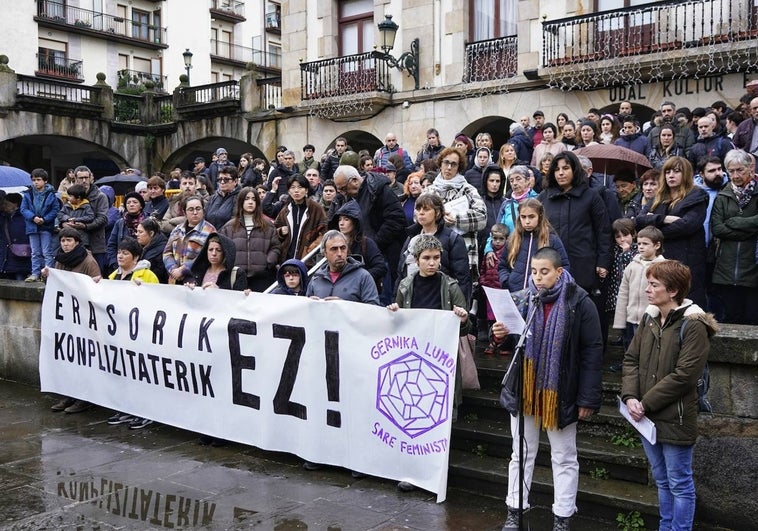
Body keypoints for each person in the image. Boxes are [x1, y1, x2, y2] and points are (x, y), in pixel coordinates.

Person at [493, 246, 603, 531]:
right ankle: (515, 510)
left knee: (564, 456)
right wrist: (501, 336)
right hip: (525, 388)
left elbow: (592, 351)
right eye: (533, 272)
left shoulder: (580, 302)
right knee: (521, 453)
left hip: (561, 390)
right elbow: (512, 342)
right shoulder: (525, 299)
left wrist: (587, 397)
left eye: (544, 272)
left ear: (559, 271)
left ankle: (562, 517)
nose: (538, 278)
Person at [621, 260, 717, 531]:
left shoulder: (694, 324)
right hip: (645, 417)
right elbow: (631, 360)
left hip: (675, 416)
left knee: (680, 483)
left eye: (654, 285)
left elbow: (685, 375)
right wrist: (630, 397)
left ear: (673, 290)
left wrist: (644, 402)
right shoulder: (650, 318)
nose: (647, 290)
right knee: (662, 480)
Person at [388, 234, 470, 491]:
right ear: (416, 260)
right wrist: (393, 312)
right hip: (413, 362)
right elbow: (397, 321)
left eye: (436, 258)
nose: (432, 263)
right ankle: (412, 472)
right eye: (427, 258)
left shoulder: (451, 286)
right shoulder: (405, 285)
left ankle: (435, 472)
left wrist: (462, 316)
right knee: (412, 416)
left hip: (440, 362)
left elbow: (466, 324)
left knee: (438, 420)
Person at [634, 157, 708, 307]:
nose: (671, 175)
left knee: (685, 305)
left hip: (687, 260)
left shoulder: (697, 195)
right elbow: (639, 221)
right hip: (661, 259)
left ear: (686, 174)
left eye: (676, 171)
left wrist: (654, 224)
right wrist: (665, 219)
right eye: (667, 172)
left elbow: (688, 225)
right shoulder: (659, 196)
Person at [43, 227, 101, 414]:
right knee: (69, 357)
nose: (65, 244)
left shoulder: (88, 260)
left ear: (77, 242)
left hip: (83, 317)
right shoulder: (60, 259)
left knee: (83, 358)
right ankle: (69, 394)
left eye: (69, 240)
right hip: (66, 315)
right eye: (63, 241)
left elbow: (97, 288)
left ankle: (84, 398)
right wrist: (49, 277)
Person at [105, 236, 160, 430]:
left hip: (140, 334)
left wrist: (143, 291)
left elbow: (159, 301)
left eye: (125, 253)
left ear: (135, 257)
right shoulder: (113, 276)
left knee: (141, 374)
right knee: (123, 373)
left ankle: (145, 412)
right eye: (119, 252)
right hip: (120, 334)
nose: (120, 255)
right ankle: (126, 408)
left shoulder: (147, 275)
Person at [538, 151, 610, 296]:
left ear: (574, 170)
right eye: (557, 169)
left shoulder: (591, 196)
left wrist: (603, 262)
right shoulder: (544, 197)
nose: (561, 173)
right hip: (550, 264)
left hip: (583, 264)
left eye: (565, 168)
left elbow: (603, 231)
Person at [710, 149, 758, 324]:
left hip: (752, 264)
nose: (735, 175)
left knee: (753, 318)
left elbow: (727, 225)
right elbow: (718, 228)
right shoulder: (723, 196)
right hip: (727, 266)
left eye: (740, 170)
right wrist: (750, 230)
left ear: (750, 169)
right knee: (731, 317)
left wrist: (735, 222)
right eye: (731, 171)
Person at [426, 147, 487, 283]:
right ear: (440, 163)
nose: (448, 167)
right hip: (434, 254)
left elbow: (482, 217)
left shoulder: (469, 190)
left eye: (453, 164)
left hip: (463, 253)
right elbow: (417, 216)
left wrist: (457, 219)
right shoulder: (430, 191)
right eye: (446, 162)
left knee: (461, 299)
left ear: (459, 167)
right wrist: (437, 218)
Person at [399, 193, 472, 303]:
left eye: (426, 209)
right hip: (412, 300)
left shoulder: (453, 239)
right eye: (418, 209)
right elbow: (401, 273)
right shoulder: (411, 237)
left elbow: (462, 279)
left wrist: (461, 308)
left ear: (437, 213)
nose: (421, 213)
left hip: (440, 302)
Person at [612, 226, 665, 359]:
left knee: (647, 352)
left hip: (650, 319)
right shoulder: (632, 265)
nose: (641, 247)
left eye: (645, 244)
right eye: (639, 243)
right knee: (630, 350)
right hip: (630, 318)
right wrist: (620, 320)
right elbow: (623, 292)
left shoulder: (663, 267)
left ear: (657, 245)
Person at [497, 198, 570, 292]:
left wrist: (552, 287)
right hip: (515, 295)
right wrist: (506, 281)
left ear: (540, 216)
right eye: (523, 217)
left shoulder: (552, 240)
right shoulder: (513, 239)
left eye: (531, 217)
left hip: (542, 296)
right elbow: (502, 266)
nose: (527, 221)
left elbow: (564, 266)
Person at [219, 186, 280, 292]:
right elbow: (223, 249)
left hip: (262, 277)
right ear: (241, 202)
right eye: (247, 199)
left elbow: (276, 247)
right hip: (236, 276)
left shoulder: (268, 225)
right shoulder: (229, 227)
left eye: (253, 199)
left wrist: (268, 262)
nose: (250, 202)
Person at [306, 229, 380, 303]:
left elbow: (373, 309)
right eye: (334, 249)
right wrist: (311, 305)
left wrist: (343, 306)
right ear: (325, 253)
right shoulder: (316, 279)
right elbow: (306, 311)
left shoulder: (363, 277)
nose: (339, 253)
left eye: (343, 248)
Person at [482, 165, 538, 261]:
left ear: (527, 181)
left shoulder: (538, 200)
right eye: (511, 181)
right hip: (509, 252)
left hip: (531, 252)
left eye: (518, 179)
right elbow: (497, 228)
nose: (514, 183)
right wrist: (489, 249)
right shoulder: (506, 204)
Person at [605, 218, 639, 370]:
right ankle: (626, 360)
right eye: (618, 236)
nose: (622, 239)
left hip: (631, 298)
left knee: (632, 334)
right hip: (617, 296)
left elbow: (631, 266)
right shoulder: (614, 250)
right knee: (624, 331)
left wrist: (626, 252)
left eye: (625, 235)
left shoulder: (636, 251)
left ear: (633, 234)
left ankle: (631, 362)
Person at [328, 200, 387, 287]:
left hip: (362, 291)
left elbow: (381, 267)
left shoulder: (366, 243)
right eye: (340, 219)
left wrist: (360, 278)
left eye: (346, 219)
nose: (341, 223)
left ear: (355, 222)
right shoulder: (333, 243)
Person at [274, 173, 327, 265]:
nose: (296, 191)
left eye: (300, 187)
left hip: (307, 260)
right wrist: (280, 232)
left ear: (306, 190)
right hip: (287, 258)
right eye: (293, 187)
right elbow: (274, 230)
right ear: (289, 191)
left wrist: (310, 250)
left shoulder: (316, 209)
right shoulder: (286, 210)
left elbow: (324, 233)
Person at [163, 195, 216, 285]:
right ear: (184, 212)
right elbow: (167, 253)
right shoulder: (177, 229)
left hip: (195, 281)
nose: (195, 212)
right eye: (191, 209)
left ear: (203, 210)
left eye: (198, 209)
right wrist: (173, 269)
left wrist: (182, 270)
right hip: (174, 279)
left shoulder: (210, 231)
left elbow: (205, 258)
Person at [20, 168, 60, 282]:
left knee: (47, 252)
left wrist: (45, 219)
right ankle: (35, 273)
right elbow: (23, 209)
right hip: (32, 226)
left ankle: (48, 274)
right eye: (33, 180)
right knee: (35, 252)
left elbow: (55, 209)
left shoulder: (51, 194)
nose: (35, 182)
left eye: (38, 179)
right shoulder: (27, 194)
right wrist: (33, 217)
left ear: (45, 181)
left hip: (46, 226)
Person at [70, 165, 109, 272]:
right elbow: (63, 215)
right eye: (81, 178)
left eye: (86, 178)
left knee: (96, 279)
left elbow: (103, 219)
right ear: (75, 179)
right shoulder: (71, 197)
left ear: (91, 178)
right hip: (75, 245)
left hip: (95, 245)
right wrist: (63, 224)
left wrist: (85, 226)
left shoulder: (100, 196)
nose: (84, 181)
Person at [478, 223, 509, 355]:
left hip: (501, 291)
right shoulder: (488, 253)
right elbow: (483, 269)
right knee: (491, 318)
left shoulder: (507, 253)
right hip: (489, 291)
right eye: (494, 238)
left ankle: (502, 343)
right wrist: (482, 281)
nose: (497, 242)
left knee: (501, 319)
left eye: (501, 239)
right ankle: (493, 342)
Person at [106, 191, 145, 272]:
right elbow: (111, 245)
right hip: (121, 267)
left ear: (141, 205)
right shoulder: (120, 223)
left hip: (142, 266)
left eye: (135, 202)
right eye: (128, 203)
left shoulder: (148, 222)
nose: (131, 204)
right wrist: (115, 264)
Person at [0, 192, 31, 280]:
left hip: (21, 258)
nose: (4, 206)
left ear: (15, 204)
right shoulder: (4, 217)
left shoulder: (25, 217)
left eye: (6, 203)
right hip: (6, 259)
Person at [135, 217, 168, 284]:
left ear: (151, 233)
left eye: (140, 232)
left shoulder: (162, 250)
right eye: (137, 231)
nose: (137, 234)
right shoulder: (143, 246)